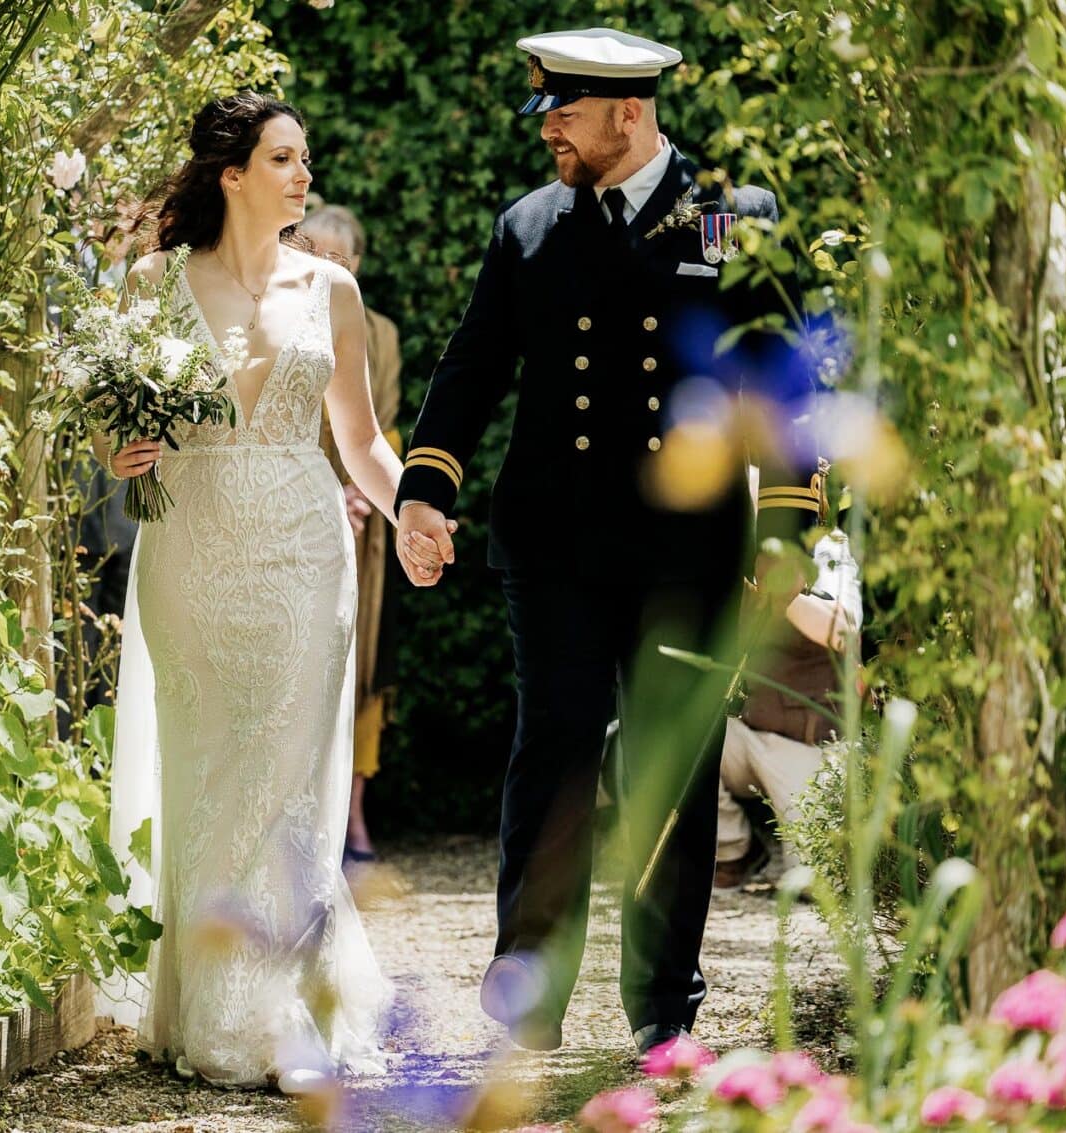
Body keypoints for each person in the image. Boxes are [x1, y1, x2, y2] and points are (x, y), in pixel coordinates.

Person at [392, 28, 824, 1057]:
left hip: (686, 554)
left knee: (670, 772)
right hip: (553, 547)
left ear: (626, 114)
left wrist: (785, 536)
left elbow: (790, 384)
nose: (548, 130)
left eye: (564, 114)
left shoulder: (732, 219)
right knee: (552, 758)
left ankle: (659, 1009)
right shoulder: (530, 225)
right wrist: (423, 489)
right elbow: (469, 366)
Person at [95, 92, 449, 1094]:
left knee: (291, 781)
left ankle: (294, 1012)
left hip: (303, 553)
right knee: (208, 768)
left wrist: (410, 515)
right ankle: (205, 1003)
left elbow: (364, 442)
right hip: (190, 552)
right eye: (283, 158)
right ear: (230, 173)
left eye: (303, 158)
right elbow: (113, 422)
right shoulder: (154, 284)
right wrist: (116, 453)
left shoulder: (330, 289)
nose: (302, 174)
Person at [302, 202, 404, 866]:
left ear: (358, 265)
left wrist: (367, 496)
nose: (327, 267)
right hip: (299, 493)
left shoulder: (381, 332)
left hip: (364, 516)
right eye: (315, 251)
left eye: (339, 258)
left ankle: (355, 812)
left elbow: (380, 421)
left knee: (366, 659)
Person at [715, 499, 861, 888]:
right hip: (747, 735)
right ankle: (735, 849)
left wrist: (785, 594)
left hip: (807, 746)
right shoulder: (737, 543)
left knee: (817, 884)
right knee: (669, 742)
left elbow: (842, 631)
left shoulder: (829, 548)